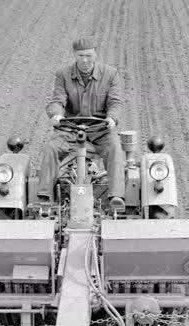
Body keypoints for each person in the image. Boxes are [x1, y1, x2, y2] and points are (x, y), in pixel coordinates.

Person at [37, 38, 125, 207]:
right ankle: (44, 197)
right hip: (71, 128)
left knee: (114, 146)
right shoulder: (63, 74)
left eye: (88, 55)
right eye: (81, 55)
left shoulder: (110, 74)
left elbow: (115, 102)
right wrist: (56, 115)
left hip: (100, 129)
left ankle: (116, 196)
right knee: (52, 147)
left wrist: (112, 118)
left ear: (95, 54)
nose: (85, 60)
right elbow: (57, 100)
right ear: (74, 55)